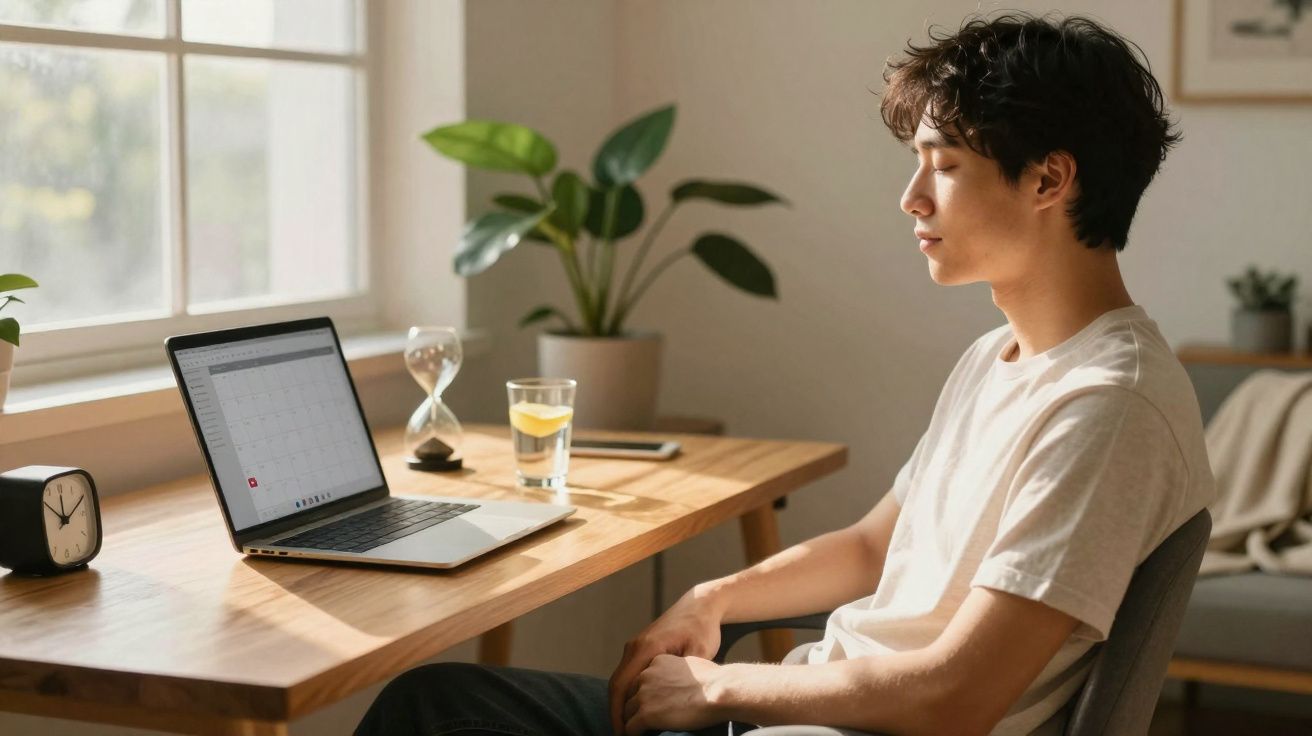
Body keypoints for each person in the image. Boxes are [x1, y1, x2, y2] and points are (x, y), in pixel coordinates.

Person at [355, 12, 1215, 736]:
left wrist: (718, 688)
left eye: (945, 167)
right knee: (435, 703)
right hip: (808, 713)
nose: (912, 198)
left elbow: (962, 693)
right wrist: (713, 596)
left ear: (1050, 179)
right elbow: (877, 547)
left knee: (436, 715)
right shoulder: (1003, 358)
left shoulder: (1107, 407)